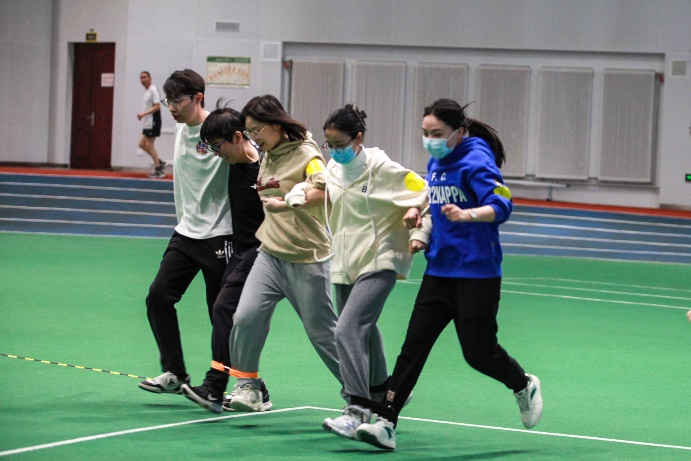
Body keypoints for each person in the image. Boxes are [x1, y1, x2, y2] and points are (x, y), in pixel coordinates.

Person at [353, 98, 543, 450]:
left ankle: (522, 383)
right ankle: (386, 422)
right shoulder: (436, 162)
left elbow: (503, 204)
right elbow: (432, 198)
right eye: (425, 132)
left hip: (477, 274)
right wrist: (418, 216)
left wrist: (468, 215)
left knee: (478, 353)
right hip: (439, 271)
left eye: (437, 133)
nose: (430, 140)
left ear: (458, 132)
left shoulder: (478, 161)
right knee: (413, 347)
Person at [225, 94, 343, 411]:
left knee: (323, 334)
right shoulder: (268, 155)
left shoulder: (307, 154)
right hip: (270, 254)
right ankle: (248, 387)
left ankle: (366, 391)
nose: (254, 138)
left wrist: (293, 201)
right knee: (245, 317)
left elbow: (327, 191)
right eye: (249, 132)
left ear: (276, 125)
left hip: (306, 256)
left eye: (257, 130)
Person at [319, 105, 430, 440]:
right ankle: (383, 392)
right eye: (328, 145)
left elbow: (425, 191)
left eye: (339, 144)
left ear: (358, 139)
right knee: (363, 330)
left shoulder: (383, 168)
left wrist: (416, 222)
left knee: (346, 330)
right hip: (345, 260)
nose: (334, 151)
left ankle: (357, 409)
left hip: (381, 257)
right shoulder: (333, 169)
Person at [139, 69, 232, 395]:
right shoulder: (180, 128)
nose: (172, 108)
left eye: (177, 101)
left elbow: (250, 157)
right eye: (168, 101)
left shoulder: (220, 131)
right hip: (186, 233)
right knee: (158, 297)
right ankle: (175, 372)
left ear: (198, 98)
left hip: (220, 234)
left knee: (220, 314)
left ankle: (251, 382)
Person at [179, 101, 272, 413]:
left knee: (225, 309)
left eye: (218, 147)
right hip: (240, 251)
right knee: (230, 313)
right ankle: (249, 387)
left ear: (237, 137)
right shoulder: (230, 161)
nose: (216, 155)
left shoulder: (266, 168)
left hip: (266, 252)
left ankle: (217, 386)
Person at [137, 71, 167, 179]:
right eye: (141, 77)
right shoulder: (147, 91)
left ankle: (158, 170)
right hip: (147, 123)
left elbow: (157, 106)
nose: (143, 79)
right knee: (141, 144)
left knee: (150, 144)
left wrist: (143, 114)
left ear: (150, 78)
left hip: (153, 122)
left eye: (145, 77)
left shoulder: (153, 90)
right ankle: (159, 161)